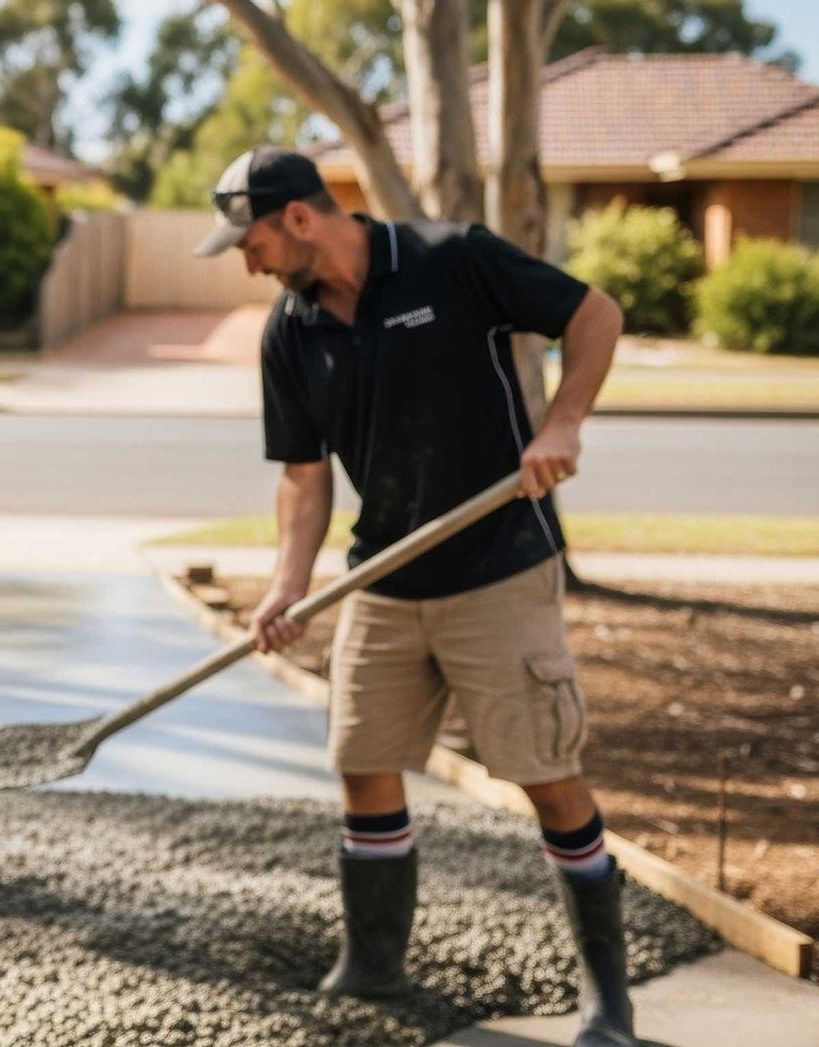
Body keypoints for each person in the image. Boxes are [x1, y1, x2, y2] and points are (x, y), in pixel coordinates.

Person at [198, 147, 633, 1047]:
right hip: (385, 573)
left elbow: (595, 313)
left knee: (546, 774)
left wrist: (563, 421)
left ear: (302, 219)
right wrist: (288, 583)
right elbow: (304, 475)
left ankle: (608, 1000)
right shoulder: (292, 330)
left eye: (252, 242)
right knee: (364, 759)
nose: (248, 262)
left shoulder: (450, 257)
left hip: (500, 566)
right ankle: (375, 965)